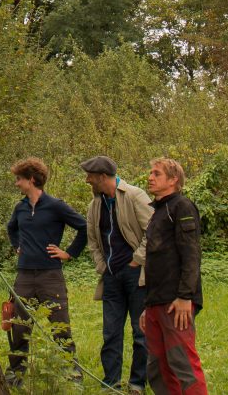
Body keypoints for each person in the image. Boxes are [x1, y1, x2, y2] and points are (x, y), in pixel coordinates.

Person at [5, 157, 87, 385]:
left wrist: (69, 253)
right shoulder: (20, 207)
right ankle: (16, 374)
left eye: (19, 179)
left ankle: (72, 375)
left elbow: (84, 227)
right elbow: (11, 228)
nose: (16, 183)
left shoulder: (56, 205)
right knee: (19, 325)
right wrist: (17, 245)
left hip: (50, 276)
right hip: (24, 275)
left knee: (60, 325)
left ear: (31, 179)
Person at [82, 155, 154, 394]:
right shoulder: (95, 205)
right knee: (110, 332)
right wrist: (102, 266)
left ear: (102, 177)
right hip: (111, 277)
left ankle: (137, 383)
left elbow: (152, 232)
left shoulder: (134, 195)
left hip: (136, 276)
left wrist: (137, 260)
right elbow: (93, 240)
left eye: (90, 177)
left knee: (140, 331)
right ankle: (110, 383)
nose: (87, 180)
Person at [141, 157, 208, 395]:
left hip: (176, 302)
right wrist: (147, 306)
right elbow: (155, 263)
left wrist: (185, 297)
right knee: (157, 367)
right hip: (155, 301)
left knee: (182, 363)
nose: (150, 177)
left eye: (156, 173)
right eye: (151, 173)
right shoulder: (157, 211)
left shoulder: (182, 207)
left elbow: (191, 255)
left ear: (173, 180)